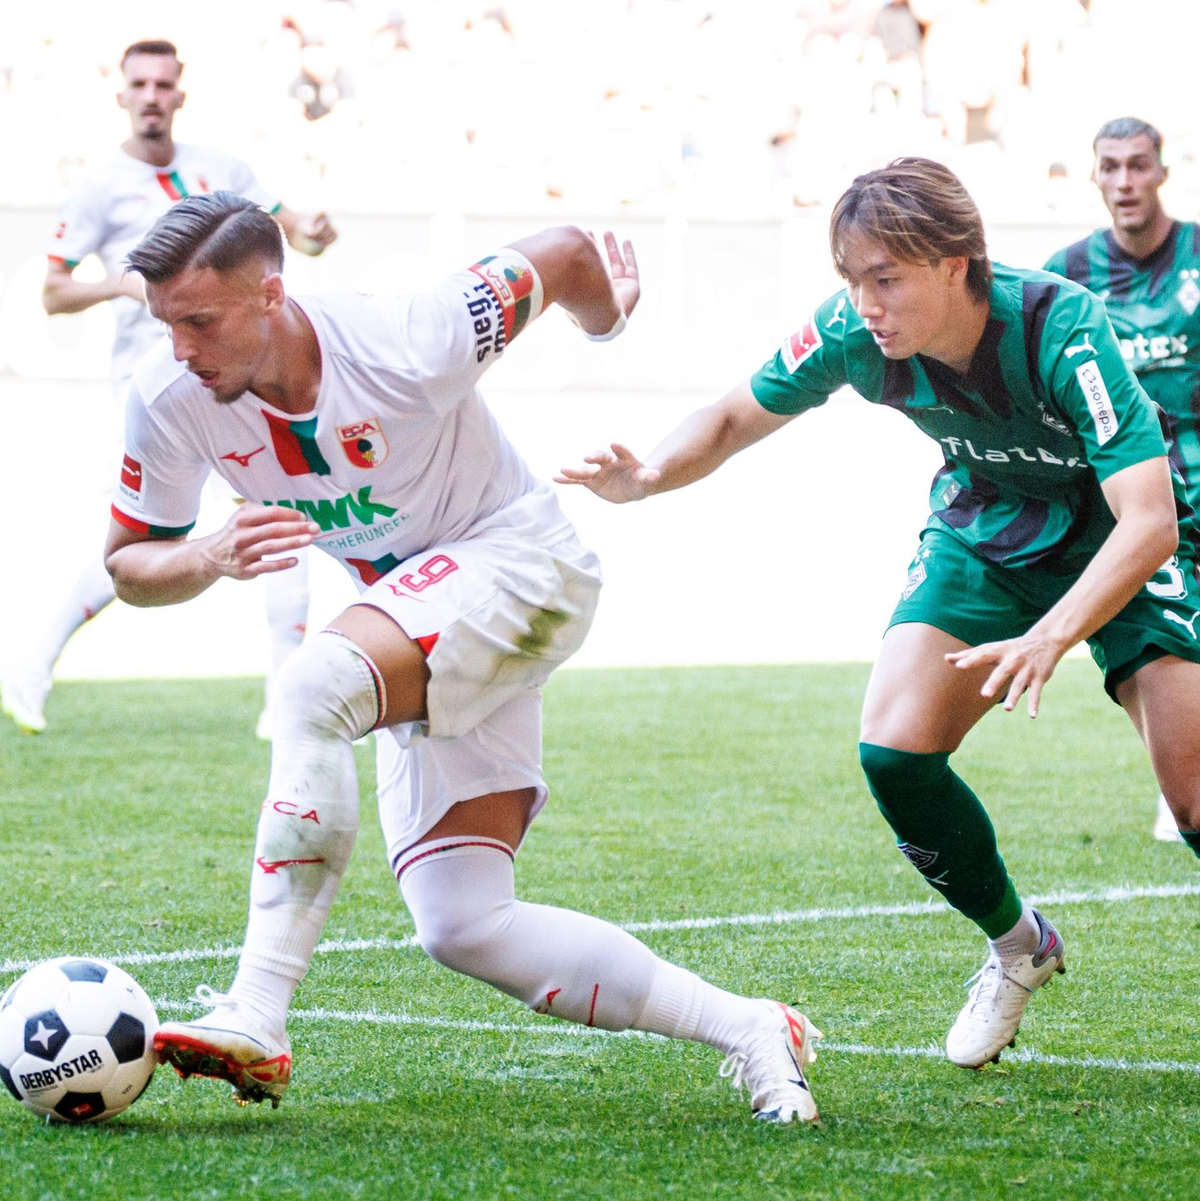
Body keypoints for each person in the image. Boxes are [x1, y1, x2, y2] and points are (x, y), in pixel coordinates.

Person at [107, 192, 823, 1123]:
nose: (181, 351)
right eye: (166, 326)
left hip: (523, 564)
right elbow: (130, 562)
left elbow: (567, 251)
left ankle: (258, 1010)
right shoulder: (171, 402)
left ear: (272, 294)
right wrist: (204, 555)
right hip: (421, 615)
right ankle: (754, 1028)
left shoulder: (409, 336)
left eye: (199, 322)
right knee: (464, 923)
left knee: (316, 685)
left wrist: (607, 320)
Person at [559, 157, 1200, 1069]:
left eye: (885, 279)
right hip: (985, 531)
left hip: (1114, 543)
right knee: (894, 751)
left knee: (1192, 794)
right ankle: (1020, 947)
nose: (864, 302)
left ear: (956, 262)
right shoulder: (851, 334)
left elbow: (1151, 520)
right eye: (852, 280)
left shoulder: (1062, 325)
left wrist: (1054, 636)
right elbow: (735, 416)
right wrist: (650, 474)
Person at [0, 39, 337, 738]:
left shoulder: (223, 168)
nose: (152, 95)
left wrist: (312, 231)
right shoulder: (100, 186)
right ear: (121, 94)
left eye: (163, 84)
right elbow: (55, 291)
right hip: (155, 388)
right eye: (139, 84)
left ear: (180, 93)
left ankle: (285, 696)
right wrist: (120, 284)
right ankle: (33, 662)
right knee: (146, 539)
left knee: (280, 513)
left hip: (239, 373)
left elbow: (285, 231)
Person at [1044, 116, 1200, 844]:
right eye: (1111, 167)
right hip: (1133, 509)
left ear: (1162, 172)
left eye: (1139, 166)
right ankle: (1183, 778)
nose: (1126, 182)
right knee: (1153, 652)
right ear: (1096, 177)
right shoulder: (1068, 276)